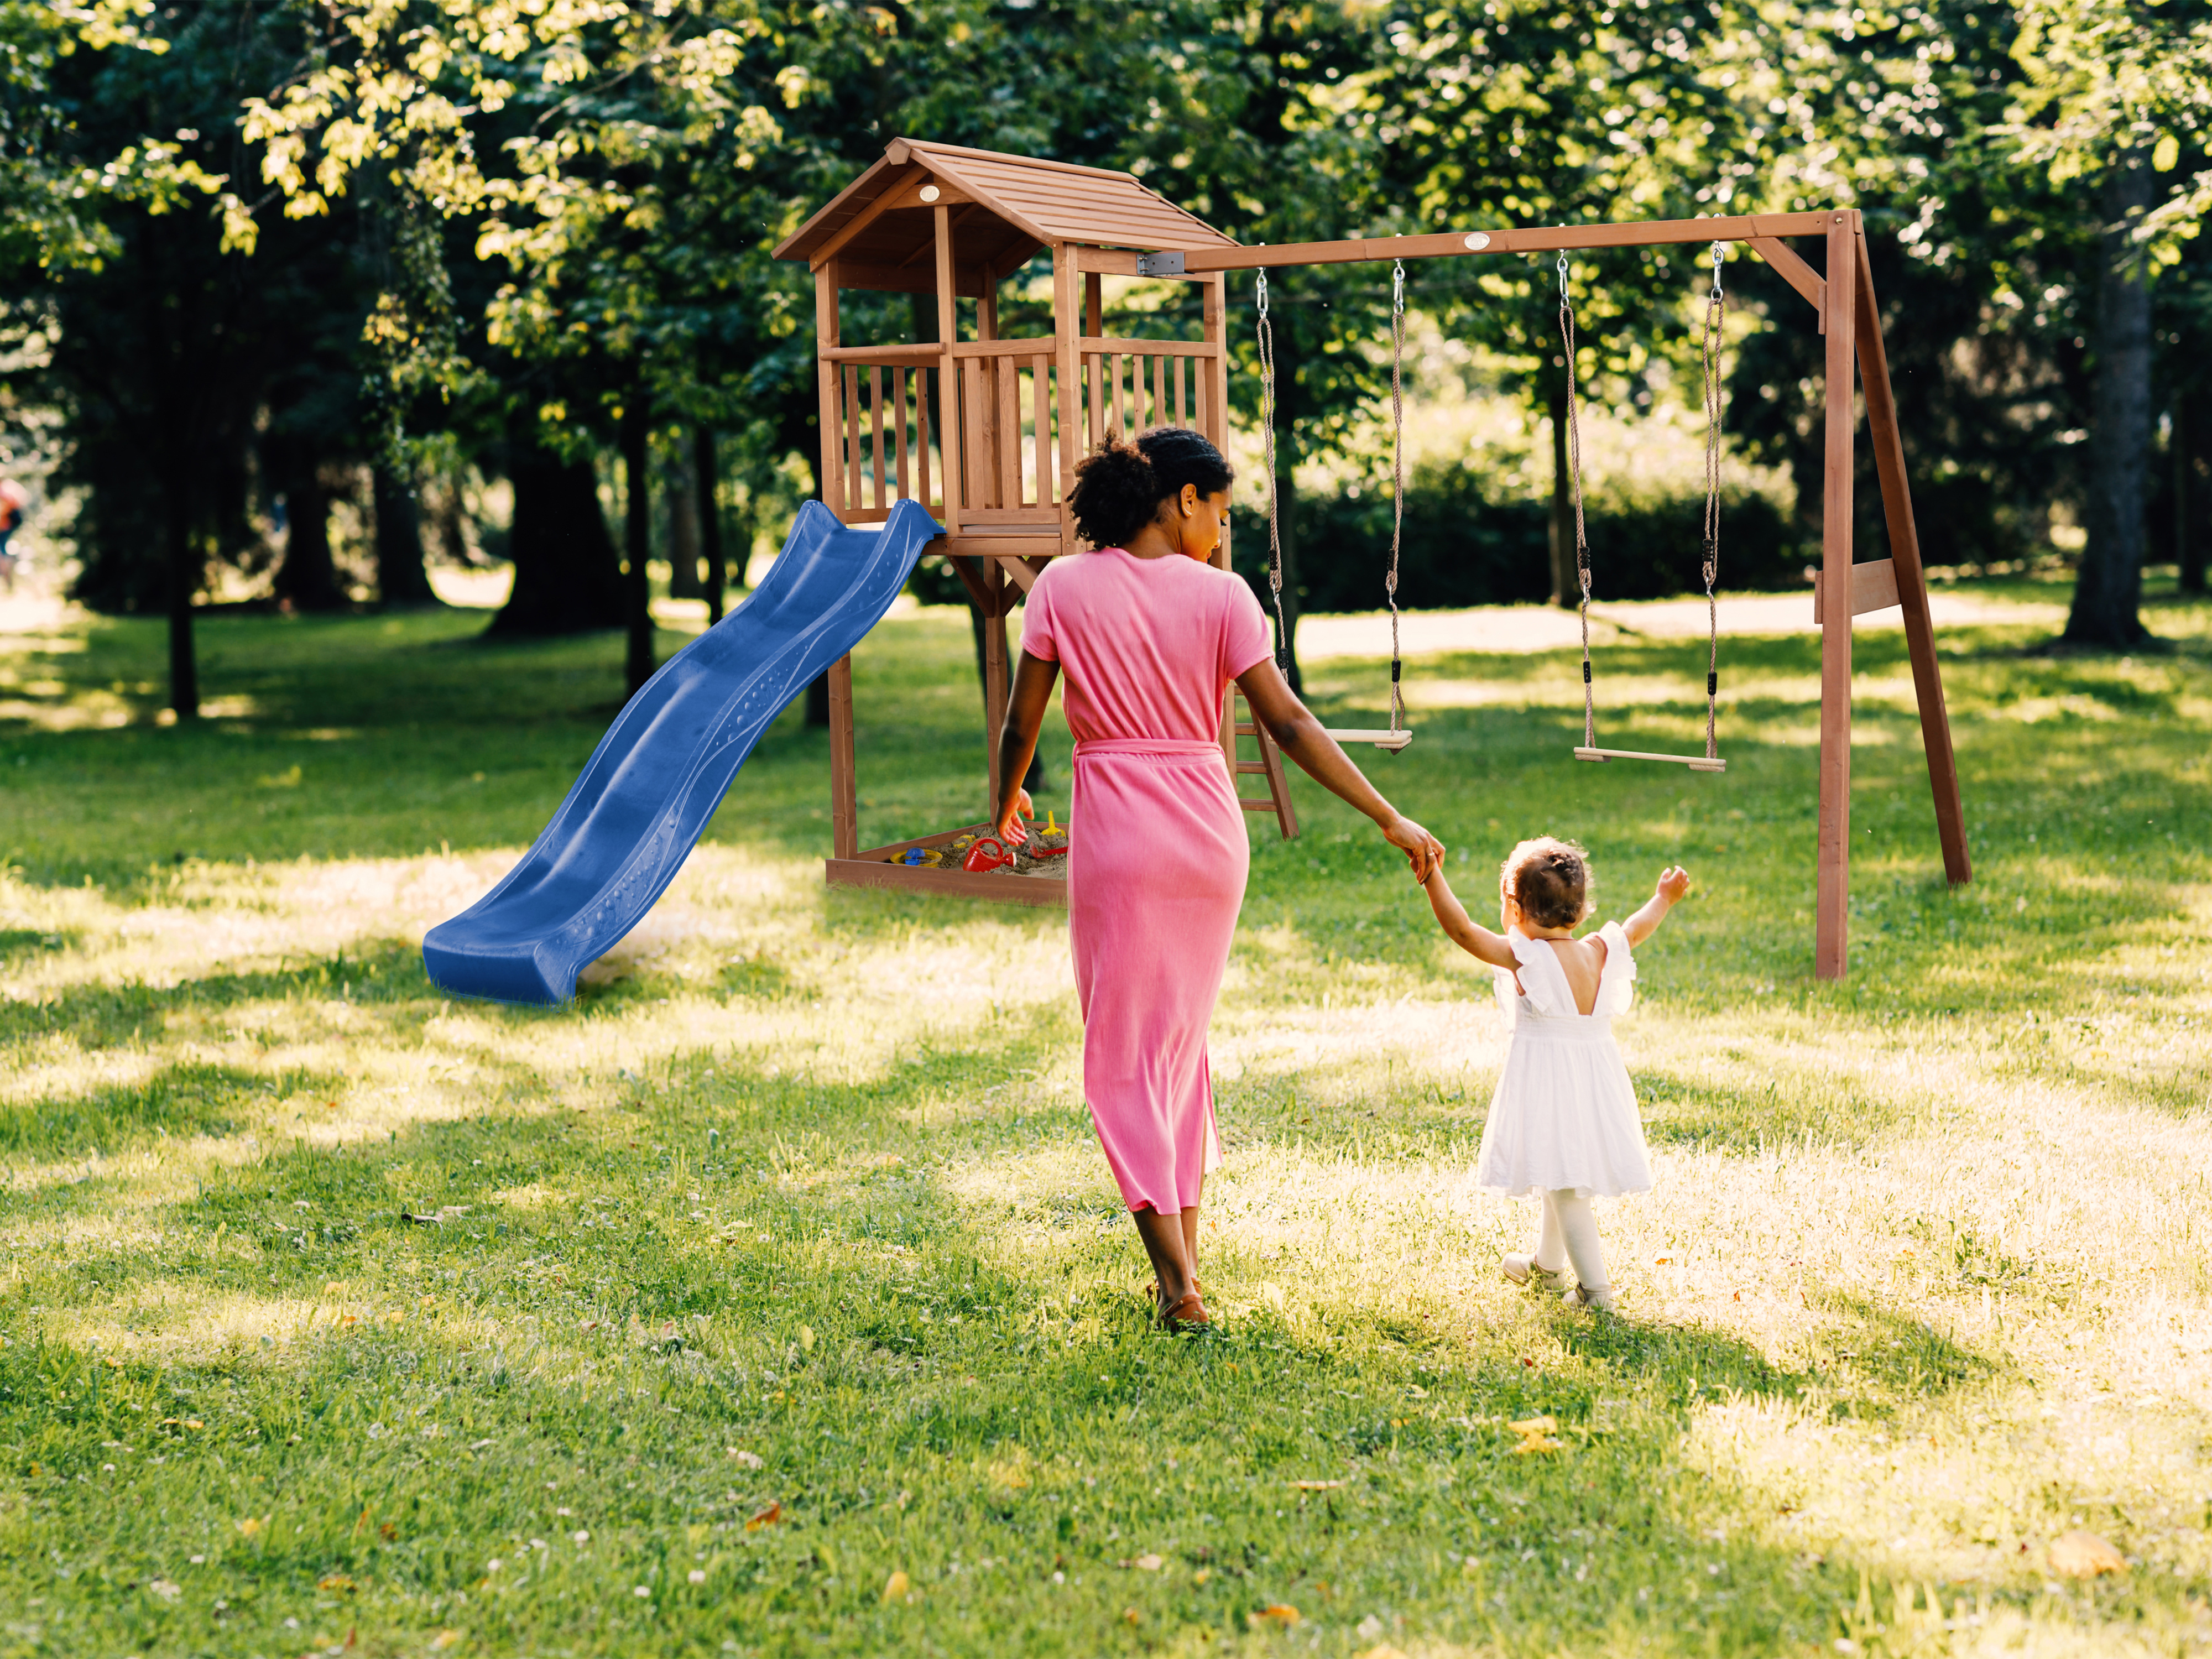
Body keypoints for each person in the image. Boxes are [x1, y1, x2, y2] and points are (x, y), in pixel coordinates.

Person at [993, 427, 1443, 1332]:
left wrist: (1002, 807)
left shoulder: (1061, 588)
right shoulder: (1225, 598)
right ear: (1184, 499)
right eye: (1223, 512)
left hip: (1120, 836)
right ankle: (1186, 1267)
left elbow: (1020, 725)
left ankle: (1177, 1285)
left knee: (1123, 1058)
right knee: (1175, 1052)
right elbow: (1289, 724)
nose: (1224, 533)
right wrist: (1386, 814)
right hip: (1207, 837)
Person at [1418, 837, 1691, 1311]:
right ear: (1581, 911)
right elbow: (1636, 927)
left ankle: (1596, 1292)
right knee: (1556, 1170)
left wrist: (1431, 875)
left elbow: (1462, 931)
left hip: (1551, 1085)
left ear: (1515, 909)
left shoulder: (1527, 958)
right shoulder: (1599, 950)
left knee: (1566, 1188)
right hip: (1594, 1082)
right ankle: (1547, 1266)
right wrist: (1663, 898)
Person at [0, 478, 27, 595]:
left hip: (7, 524)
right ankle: (7, 577)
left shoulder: (4, 491)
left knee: (2, 550)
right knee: (3, 549)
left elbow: (5, 509)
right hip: (10, 523)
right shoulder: (8, 486)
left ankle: (6, 575)